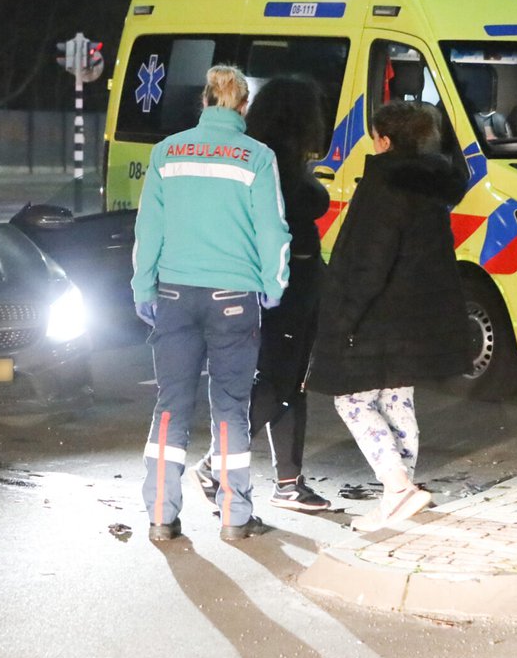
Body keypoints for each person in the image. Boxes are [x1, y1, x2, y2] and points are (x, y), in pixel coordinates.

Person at [132, 65, 291, 543]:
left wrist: (143, 288)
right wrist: (274, 283)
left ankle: (161, 516)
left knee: (170, 406)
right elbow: (273, 229)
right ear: (242, 107)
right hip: (234, 298)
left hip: (174, 295)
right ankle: (234, 518)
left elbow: (148, 230)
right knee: (230, 407)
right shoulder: (257, 157)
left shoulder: (166, 153)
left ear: (204, 102)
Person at [306, 100, 472, 532]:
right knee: (397, 399)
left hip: (380, 313)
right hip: (418, 314)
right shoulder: (433, 184)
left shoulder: (385, 184)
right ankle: (400, 494)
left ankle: (397, 488)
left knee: (353, 400)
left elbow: (367, 259)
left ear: (386, 140)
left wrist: (342, 318)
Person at [188, 76, 332, 512]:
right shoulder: (268, 164)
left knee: (291, 381)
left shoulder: (270, 159)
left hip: (286, 283)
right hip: (279, 286)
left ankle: (288, 481)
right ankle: (214, 464)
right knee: (274, 382)